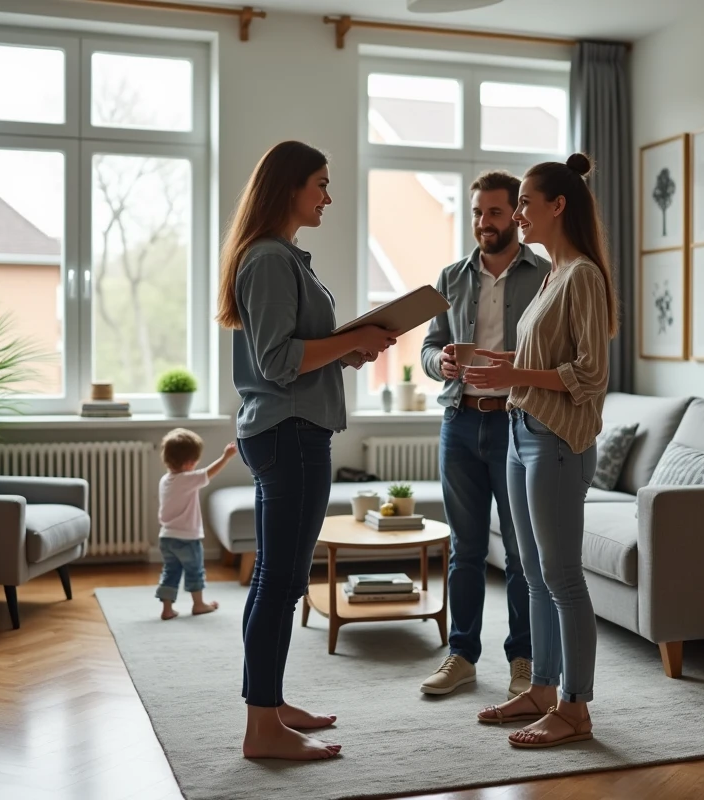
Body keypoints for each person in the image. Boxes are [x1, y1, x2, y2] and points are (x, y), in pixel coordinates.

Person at [216, 140, 398, 761]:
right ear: (288, 186)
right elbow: (277, 361)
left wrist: (350, 349)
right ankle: (262, 729)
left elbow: (293, 349)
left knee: (276, 579)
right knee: (280, 581)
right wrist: (354, 341)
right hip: (290, 432)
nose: (328, 195)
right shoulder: (269, 258)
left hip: (288, 428)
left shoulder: (281, 256)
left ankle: (268, 706)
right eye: (320, 183)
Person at [462, 153, 617, 749]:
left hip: (556, 441)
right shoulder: (553, 273)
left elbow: (588, 374)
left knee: (561, 578)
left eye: (526, 202)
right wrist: (495, 364)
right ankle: (543, 689)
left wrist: (514, 379)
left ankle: (576, 707)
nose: (519, 212)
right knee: (530, 574)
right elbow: (537, 363)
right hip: (521, 433)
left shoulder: (582, 276)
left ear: (559, 205)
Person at [418, 171, 550, 700]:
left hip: (516, 423)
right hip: (459, 422)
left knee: (521, 552)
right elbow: (428, 349)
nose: (483, 223)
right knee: (465, 550)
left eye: (494, 213)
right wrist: (441, 362)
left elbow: (555, 355)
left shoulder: (545, 275)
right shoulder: (450, 277)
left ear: (516, 215)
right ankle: (462, 655)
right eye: (476, 213)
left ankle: (524, 659)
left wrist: (519, 366)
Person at [154, 429, 239, 620]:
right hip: (187, 539)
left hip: (166, 537)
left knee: (170, 572)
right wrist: (226, 456)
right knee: (195, 572)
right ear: (190, 463)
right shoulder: (187, 480)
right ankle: (198, 604)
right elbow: (209, 473)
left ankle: (167, 609)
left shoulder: (165, 480)